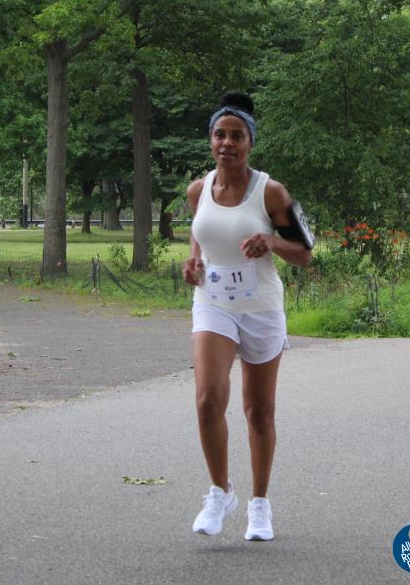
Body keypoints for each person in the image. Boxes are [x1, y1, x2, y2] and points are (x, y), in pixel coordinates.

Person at [183, 92, 313, 541]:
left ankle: (260, 505)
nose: (227, 143)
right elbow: (201, 233)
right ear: (210, 140)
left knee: (258, 411)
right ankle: (220, 492)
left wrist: (271, 241)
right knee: (207, 399)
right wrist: (193, 259)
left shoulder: (271, 192)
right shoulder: (198, 190)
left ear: (250, 142)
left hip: (260, 308)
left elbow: (305, 254)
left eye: (236, 136)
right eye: (219, 135)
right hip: (213, 303)